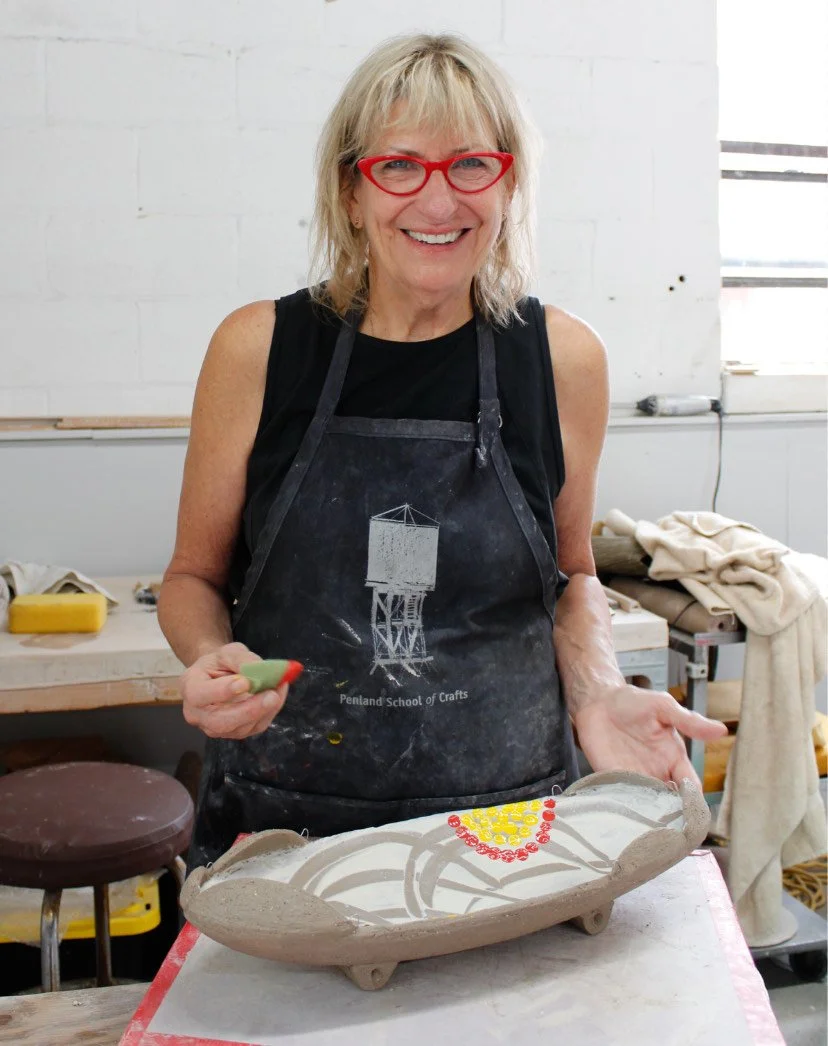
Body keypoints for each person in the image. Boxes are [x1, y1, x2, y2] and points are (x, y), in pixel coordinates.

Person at [158, 34, 726, 868]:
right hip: (286, 826)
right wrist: (213, 658)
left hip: (508, 828)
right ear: (351, 192)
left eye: (470, 165)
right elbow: (192, 580)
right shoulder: (259, 349)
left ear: (507, 186)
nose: (438, 201)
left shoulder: (562, 359)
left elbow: (571, 579)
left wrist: (600, 689)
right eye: (399, 166)